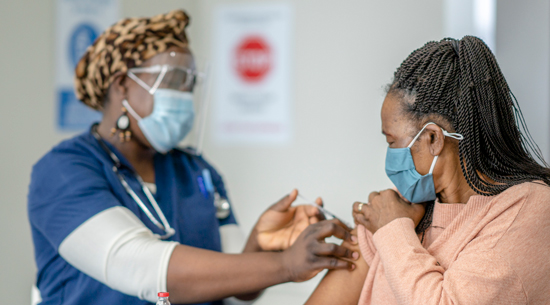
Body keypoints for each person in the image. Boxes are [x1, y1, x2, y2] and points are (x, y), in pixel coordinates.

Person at [27, 10, 358, 305]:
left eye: (189, 84)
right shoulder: (63, 171)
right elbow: (139, 267)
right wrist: (285, 264)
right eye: (172, 82)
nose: (184, 97)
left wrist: (260, 243)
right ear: (121, 86)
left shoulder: (196, 170)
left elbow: (236, 286)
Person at [306, 36, 550, 304]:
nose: (390, 155)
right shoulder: (402, 211)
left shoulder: (529, 209)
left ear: (433, 139)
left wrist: (392, 229)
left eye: (391, 142)